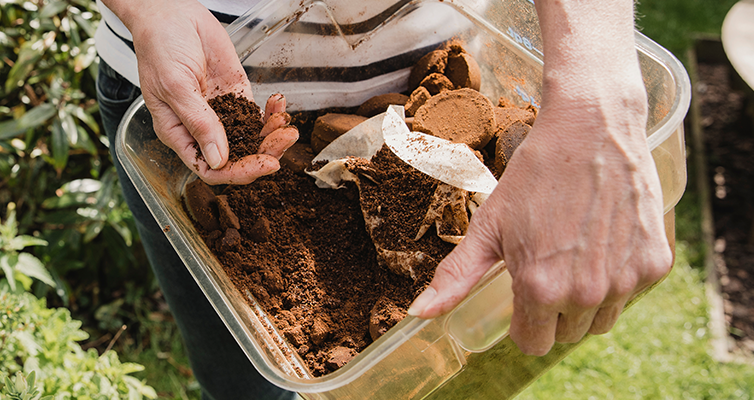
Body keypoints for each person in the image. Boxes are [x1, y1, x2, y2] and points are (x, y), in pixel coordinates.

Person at [95, 0, 672, 398]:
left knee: (441, 375)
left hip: (426, 71)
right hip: (186, 93)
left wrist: (599, 101)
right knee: (247, 383)